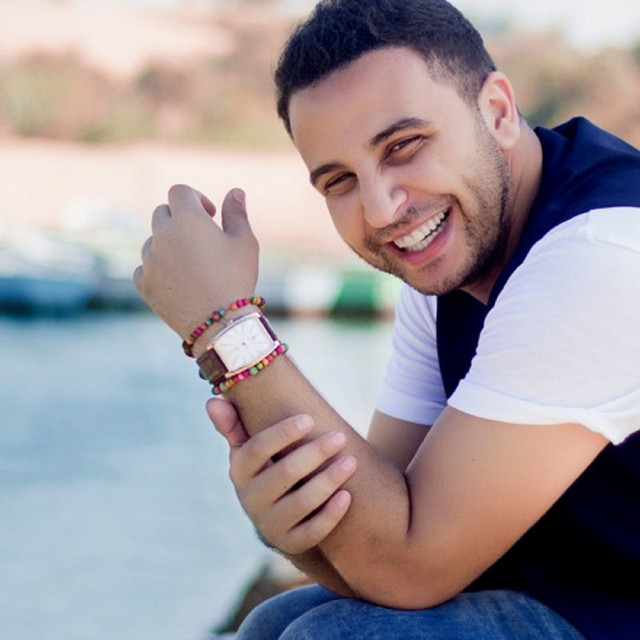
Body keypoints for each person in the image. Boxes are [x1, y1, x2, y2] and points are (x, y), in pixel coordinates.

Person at [133, 1, 640, 638]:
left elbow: (407, 564)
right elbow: (375, 533)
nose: (380, 210)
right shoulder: (453, 255)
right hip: (591, 600)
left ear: (497, 112)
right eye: (339, 180)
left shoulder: (599, 255)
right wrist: (290, 517)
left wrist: (225, 326)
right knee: (276, 622)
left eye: (402, 146)